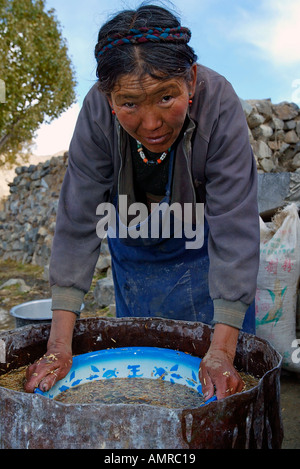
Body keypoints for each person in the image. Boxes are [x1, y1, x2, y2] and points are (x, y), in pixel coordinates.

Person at [24, 4, 260, 402]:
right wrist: (58, 347)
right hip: (134, 256)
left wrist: (220, 352)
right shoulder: (97, 113)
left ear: (192, 80)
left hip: (208, 258)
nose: (151, 124)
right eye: (130, 104)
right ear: (108, 97)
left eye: (166, 97)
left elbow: (234, 227)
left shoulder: (218, 102)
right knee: (149, 389)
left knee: (218, 402)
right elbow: (78, 221)